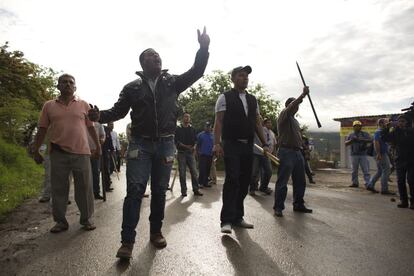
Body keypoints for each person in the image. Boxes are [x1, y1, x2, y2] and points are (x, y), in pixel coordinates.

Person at [88, 28, 210, 259]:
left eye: (158, 55)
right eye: (151, 55)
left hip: (165, 144)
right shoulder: (132, 88)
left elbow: (196, 71)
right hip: (139, 146)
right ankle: (127, 242)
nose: (157, 57)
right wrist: (100, 116)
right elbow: (118, 111)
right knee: (135, 190)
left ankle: (156, 232)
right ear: (143, 62)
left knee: (159, 192)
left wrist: (203, 48)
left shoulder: (171, 82)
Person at [32, 73, 100, 233]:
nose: (67, 84)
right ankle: (60, 222)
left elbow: (91, 127)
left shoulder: (84, 104)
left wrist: (98, 146)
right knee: (59, 189)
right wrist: (36, 150)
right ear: (58, 86)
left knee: (84, 188)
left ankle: (86, 219)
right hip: (58, 152)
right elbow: (42, 129)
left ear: (75, 87)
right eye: (64, 82)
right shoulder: (48, 105)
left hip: (82, 152)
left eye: (71, 82)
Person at [213, 65, 269, 234]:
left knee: (245, 181)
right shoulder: (224, 97)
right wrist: (217, 143)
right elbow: (219, 122)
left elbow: (257, 122)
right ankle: (226, 220)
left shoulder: (253, 99)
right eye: (241, 75)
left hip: (248, 145)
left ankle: (238, 217)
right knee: (233, 179)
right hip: (231, 144)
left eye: (246, 76)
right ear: (233, 78)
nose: (245, 78)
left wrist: (265, 143)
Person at [273, 90, 313, 217]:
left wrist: (304, 150)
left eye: (297, 106)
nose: (296, 108)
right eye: (294, 105)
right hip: (286, 152)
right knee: (283, 181)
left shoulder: (295, 121)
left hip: (297, 152)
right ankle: (278, 207)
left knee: (300, 181)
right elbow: (291, 107)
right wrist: (302, 96)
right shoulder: (284, 115)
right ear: (289, 106)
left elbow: (298, 138)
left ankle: (298, 204)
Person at [381, 115, 414, 208]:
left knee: (411, 180)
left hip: (412, 160)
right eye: (399, 121)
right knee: (400, 181)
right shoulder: (395, 132)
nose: (401, 123)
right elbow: (384, 138)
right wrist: (387, 127)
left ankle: (413, 202)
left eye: (403, 121)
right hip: (400, 160)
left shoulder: (411, 131)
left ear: (406, 122)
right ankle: (404, 201)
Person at [175, 113, 203, 196]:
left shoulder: (192, 129)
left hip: (190, 154)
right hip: (181, 153)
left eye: (188, 117)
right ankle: (184, 191)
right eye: (185, 117)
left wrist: (194, 147)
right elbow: (176, 141)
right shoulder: (178, 129)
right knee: (182, 173)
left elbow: (195, 141)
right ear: (182, 118)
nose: (187, 118)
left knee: (194, 172)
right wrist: (186, 146)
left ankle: (196, 190)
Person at [366, 118, 395, 195]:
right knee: (386, 170)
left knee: (380, 171)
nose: (388, 124)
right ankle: (384, 189)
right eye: (386, 123)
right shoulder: (379, 132)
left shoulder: (382, 132)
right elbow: (376, 143)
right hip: (381, 153)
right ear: (381, 124)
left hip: (381, 153)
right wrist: (378, 153)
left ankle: (370, 185)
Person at [249, 118, 273, 196]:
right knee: (254, 172)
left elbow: (270, 142)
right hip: (256, 152)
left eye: (261, 118)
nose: (260, 120)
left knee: (269, 171)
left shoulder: (269, 132)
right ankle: (252, 188)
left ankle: (263, 187)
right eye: (259, 119)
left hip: (265, 153)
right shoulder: (255, 128)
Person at [345, 120, 372, 188]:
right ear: (353, 127)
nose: (357, 127)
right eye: (356, 126)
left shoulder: (365, 134)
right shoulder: (351, 134)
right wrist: (352, 140)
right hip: (354, 155)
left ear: (361, 127)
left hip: (363, 154)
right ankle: (355, 183)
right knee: (354, 170)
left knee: (366, 170)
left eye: (359, 126)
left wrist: (361, 140)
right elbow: (346, 143)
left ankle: (368, 183)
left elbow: (371, 140)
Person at [88, 121, 106, 199]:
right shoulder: (82, 122)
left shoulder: (98, 124)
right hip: (84, 151)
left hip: (96, 151)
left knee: (96, 172)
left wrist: (102, 140)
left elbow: (103, 135)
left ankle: (96, 192)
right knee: (86, 174)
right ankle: (87, 193)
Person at [197, 121, 214, 188]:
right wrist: (197, 153)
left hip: (210, 155)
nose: (208, 128)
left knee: (208, 169)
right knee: (202, 169)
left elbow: (214, 145)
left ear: (211, 127)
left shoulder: (213, 135)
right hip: (202, 155)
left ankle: (205, 182)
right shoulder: (200, 135)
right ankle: (200, 183)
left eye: (209, 126)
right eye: (206, 126)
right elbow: (197, 145)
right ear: (204, 127)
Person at [102, 123, 115, 192]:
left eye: (112, 124)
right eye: (111, 124)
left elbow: (110, 141)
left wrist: (112, 149)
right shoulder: (104, 128)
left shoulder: (108, 130)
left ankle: (107, 186)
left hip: (105, 152)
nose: (112, 126)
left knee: (106, 169)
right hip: (96, 151)